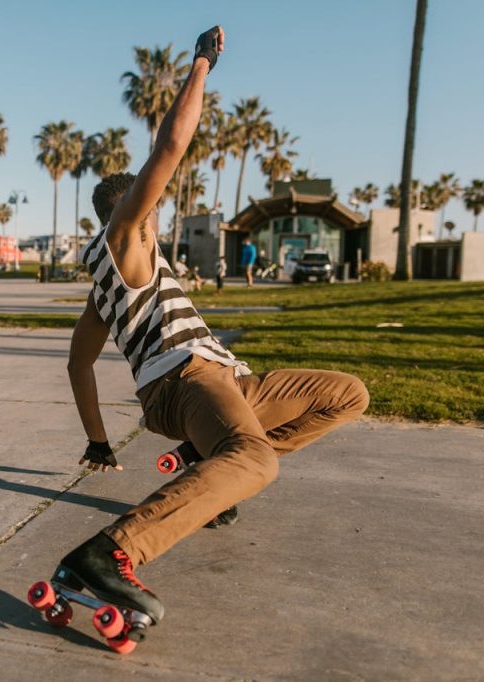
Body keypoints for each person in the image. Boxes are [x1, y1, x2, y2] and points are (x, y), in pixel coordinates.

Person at [60, 25, 369, 634]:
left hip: (222, 379)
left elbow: (78, 364)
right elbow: (170, 148)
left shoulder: (104, 287)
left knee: (346, 394)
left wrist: (98, 440)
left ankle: (209, 472)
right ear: (131, 211)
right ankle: (110, 552)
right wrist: (202, 64)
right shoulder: (126, 236)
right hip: (186, 380)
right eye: (150, 211)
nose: (156, 219)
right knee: (255, 460)